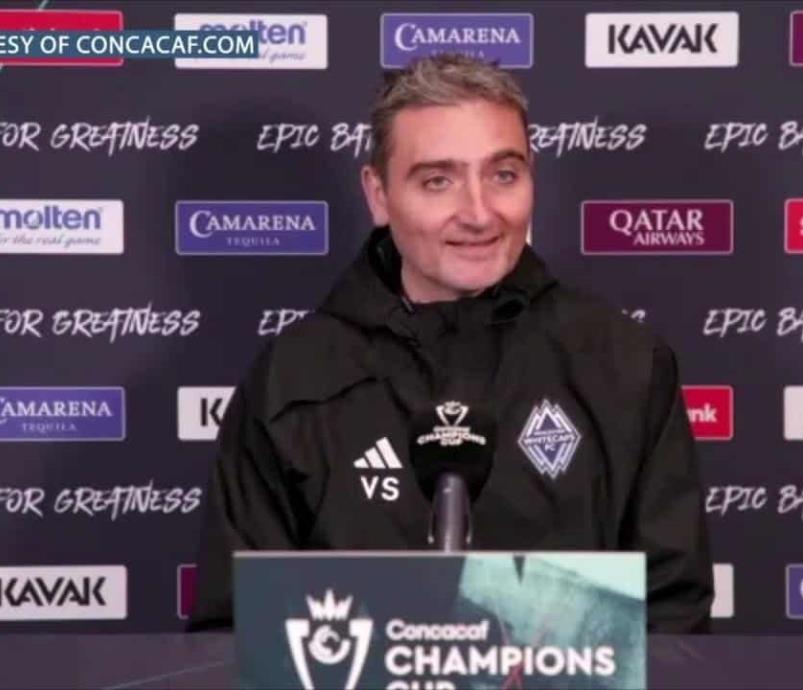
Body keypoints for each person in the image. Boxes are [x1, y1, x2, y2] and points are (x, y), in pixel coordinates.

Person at [188, 53, 713, 633]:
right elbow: (236, 634)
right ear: (379, 194)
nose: (479, 213)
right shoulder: (292, 379)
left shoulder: (626, 365)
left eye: (503, 175)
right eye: (438, 180)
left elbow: (673, 622)